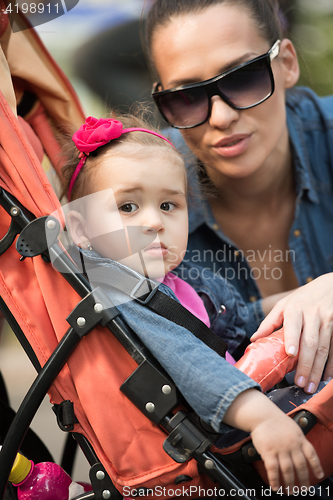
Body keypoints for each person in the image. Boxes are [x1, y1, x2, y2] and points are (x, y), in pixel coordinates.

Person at [60, 113, 324, 492]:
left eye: (169, 206)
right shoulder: (120, 296)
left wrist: (301, 299)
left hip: (250, 396)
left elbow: (239, 320)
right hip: (224, 426)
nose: (154, 222)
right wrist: (264, 419)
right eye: (128, 207)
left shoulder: (181, 279)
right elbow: (190, 361)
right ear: (82, 229)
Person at [144, 0, 333, 395]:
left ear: (287, 64)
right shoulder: (139, 206)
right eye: (186, 97)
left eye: (242, 76)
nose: (221, 117)